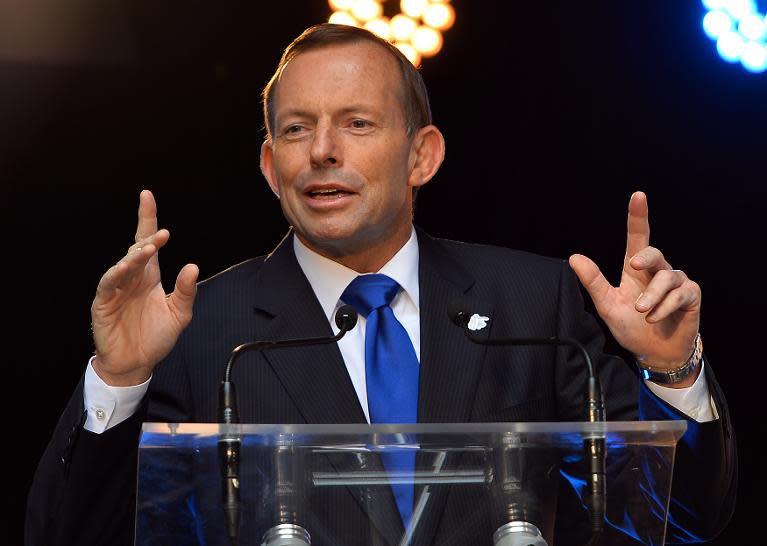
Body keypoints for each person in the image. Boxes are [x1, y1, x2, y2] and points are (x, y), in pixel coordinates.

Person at [26, 23, 736, 546]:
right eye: (297, 129)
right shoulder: (198, 326)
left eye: (356, 123)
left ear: (421, 155)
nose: (324, 150)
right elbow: (67, 535)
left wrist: (669, 370)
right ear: (272, 168)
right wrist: (119, 378)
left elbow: (686, 524)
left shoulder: (537, 301)